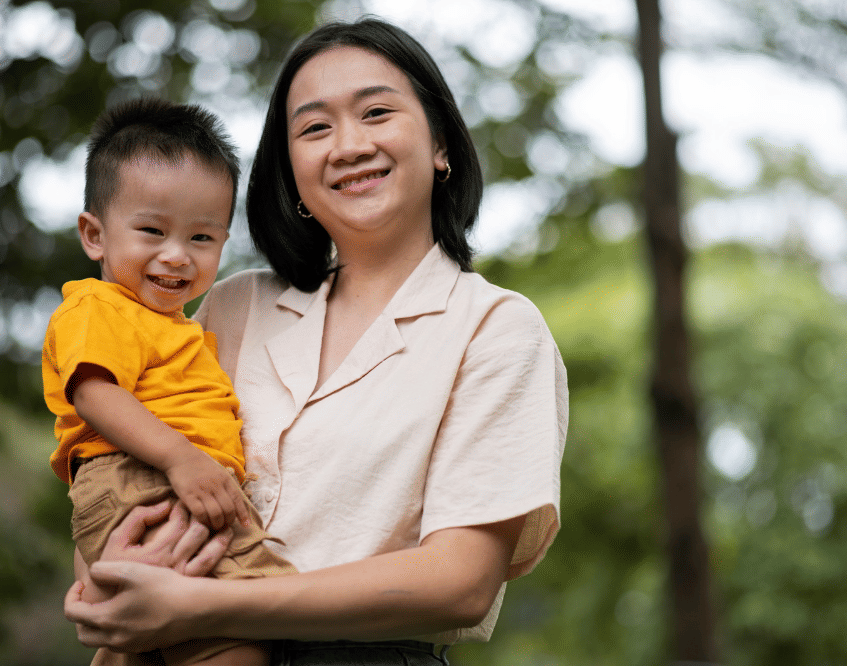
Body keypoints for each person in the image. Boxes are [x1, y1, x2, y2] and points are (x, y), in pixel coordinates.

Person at [65, 18, 569, 666]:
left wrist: (208, 607)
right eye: (314, 127)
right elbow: (115, 462)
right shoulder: (231, 306)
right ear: (294, 172)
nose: (348, 144)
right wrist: (106, 570)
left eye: (377, 111)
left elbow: (461, 583)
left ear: (441, 143)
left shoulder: (495, 329)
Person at [41, 98, 296, 666]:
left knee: (211, 630)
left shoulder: (178, 327)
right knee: (235, 633)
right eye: (152, 230)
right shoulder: (96, 307)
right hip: (143, 473)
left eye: (202, 239)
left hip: (178, 480)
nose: (177, 256)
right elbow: (95, 394)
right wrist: (182, 459)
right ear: (94, 235)